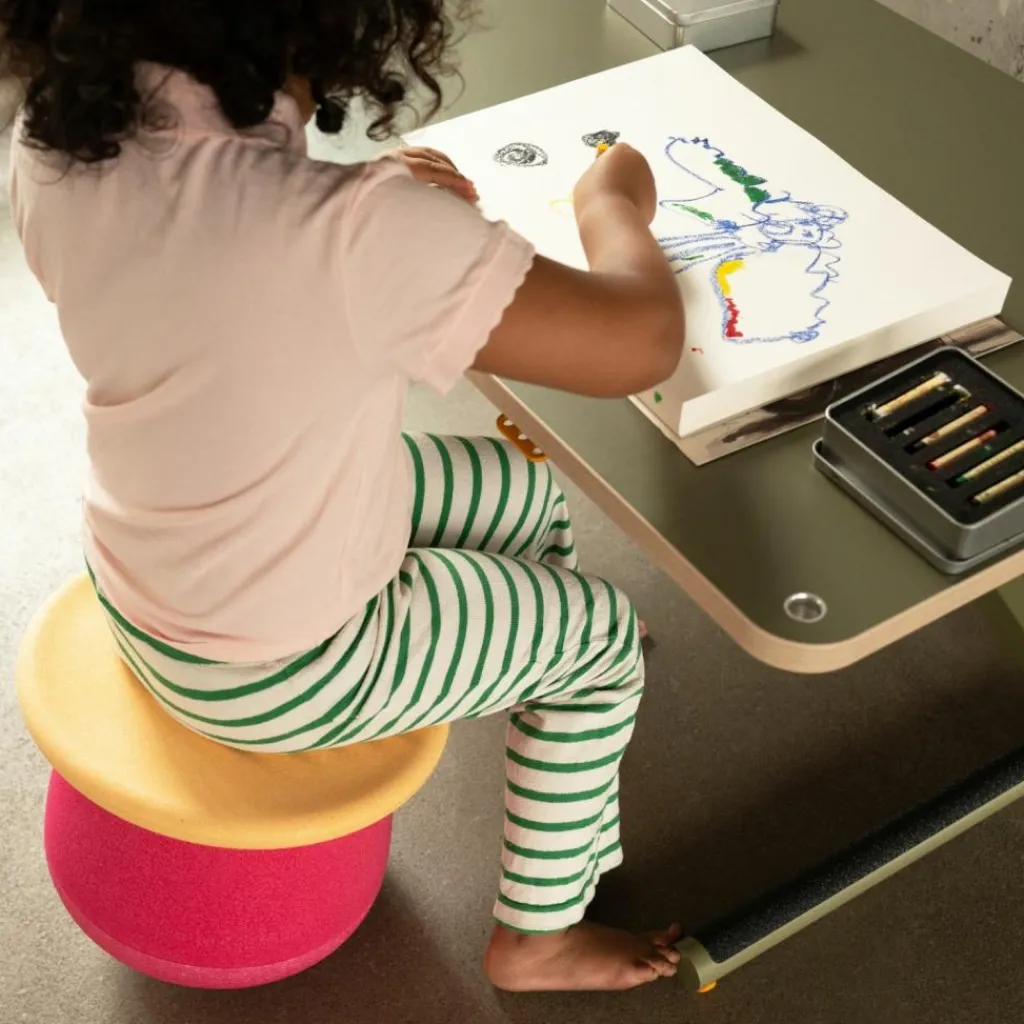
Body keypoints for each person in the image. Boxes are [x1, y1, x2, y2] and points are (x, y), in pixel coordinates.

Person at [1, 0, 685, 992]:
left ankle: (528, 669)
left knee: (526, 492)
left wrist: (374, 207)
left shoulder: (56, 143)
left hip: (151, 563)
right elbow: (640, 343)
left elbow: (220, 251)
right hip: (283, 666)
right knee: (603, 638)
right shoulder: (357, 232)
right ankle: (537, 937)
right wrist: (609, 204)